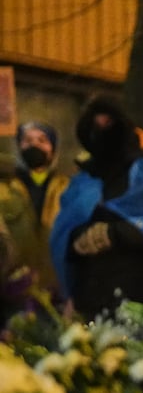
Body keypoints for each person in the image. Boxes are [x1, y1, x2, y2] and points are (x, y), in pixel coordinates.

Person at [50, 94, 143, 319]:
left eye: (108, 122)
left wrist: (114, 234)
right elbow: (63, 233)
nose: (101, 130)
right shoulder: (83, 181)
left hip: (142, 298)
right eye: (94, 124)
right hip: (91, 300)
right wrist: (78, 239)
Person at [1, 119, 72, 303]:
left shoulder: (69, 188)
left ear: (53, 149)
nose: (34, 145)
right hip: (13, 291)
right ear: (18, 147)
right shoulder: (4, 190)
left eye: (42, 140)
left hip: (59, 291)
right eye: (27, 140)